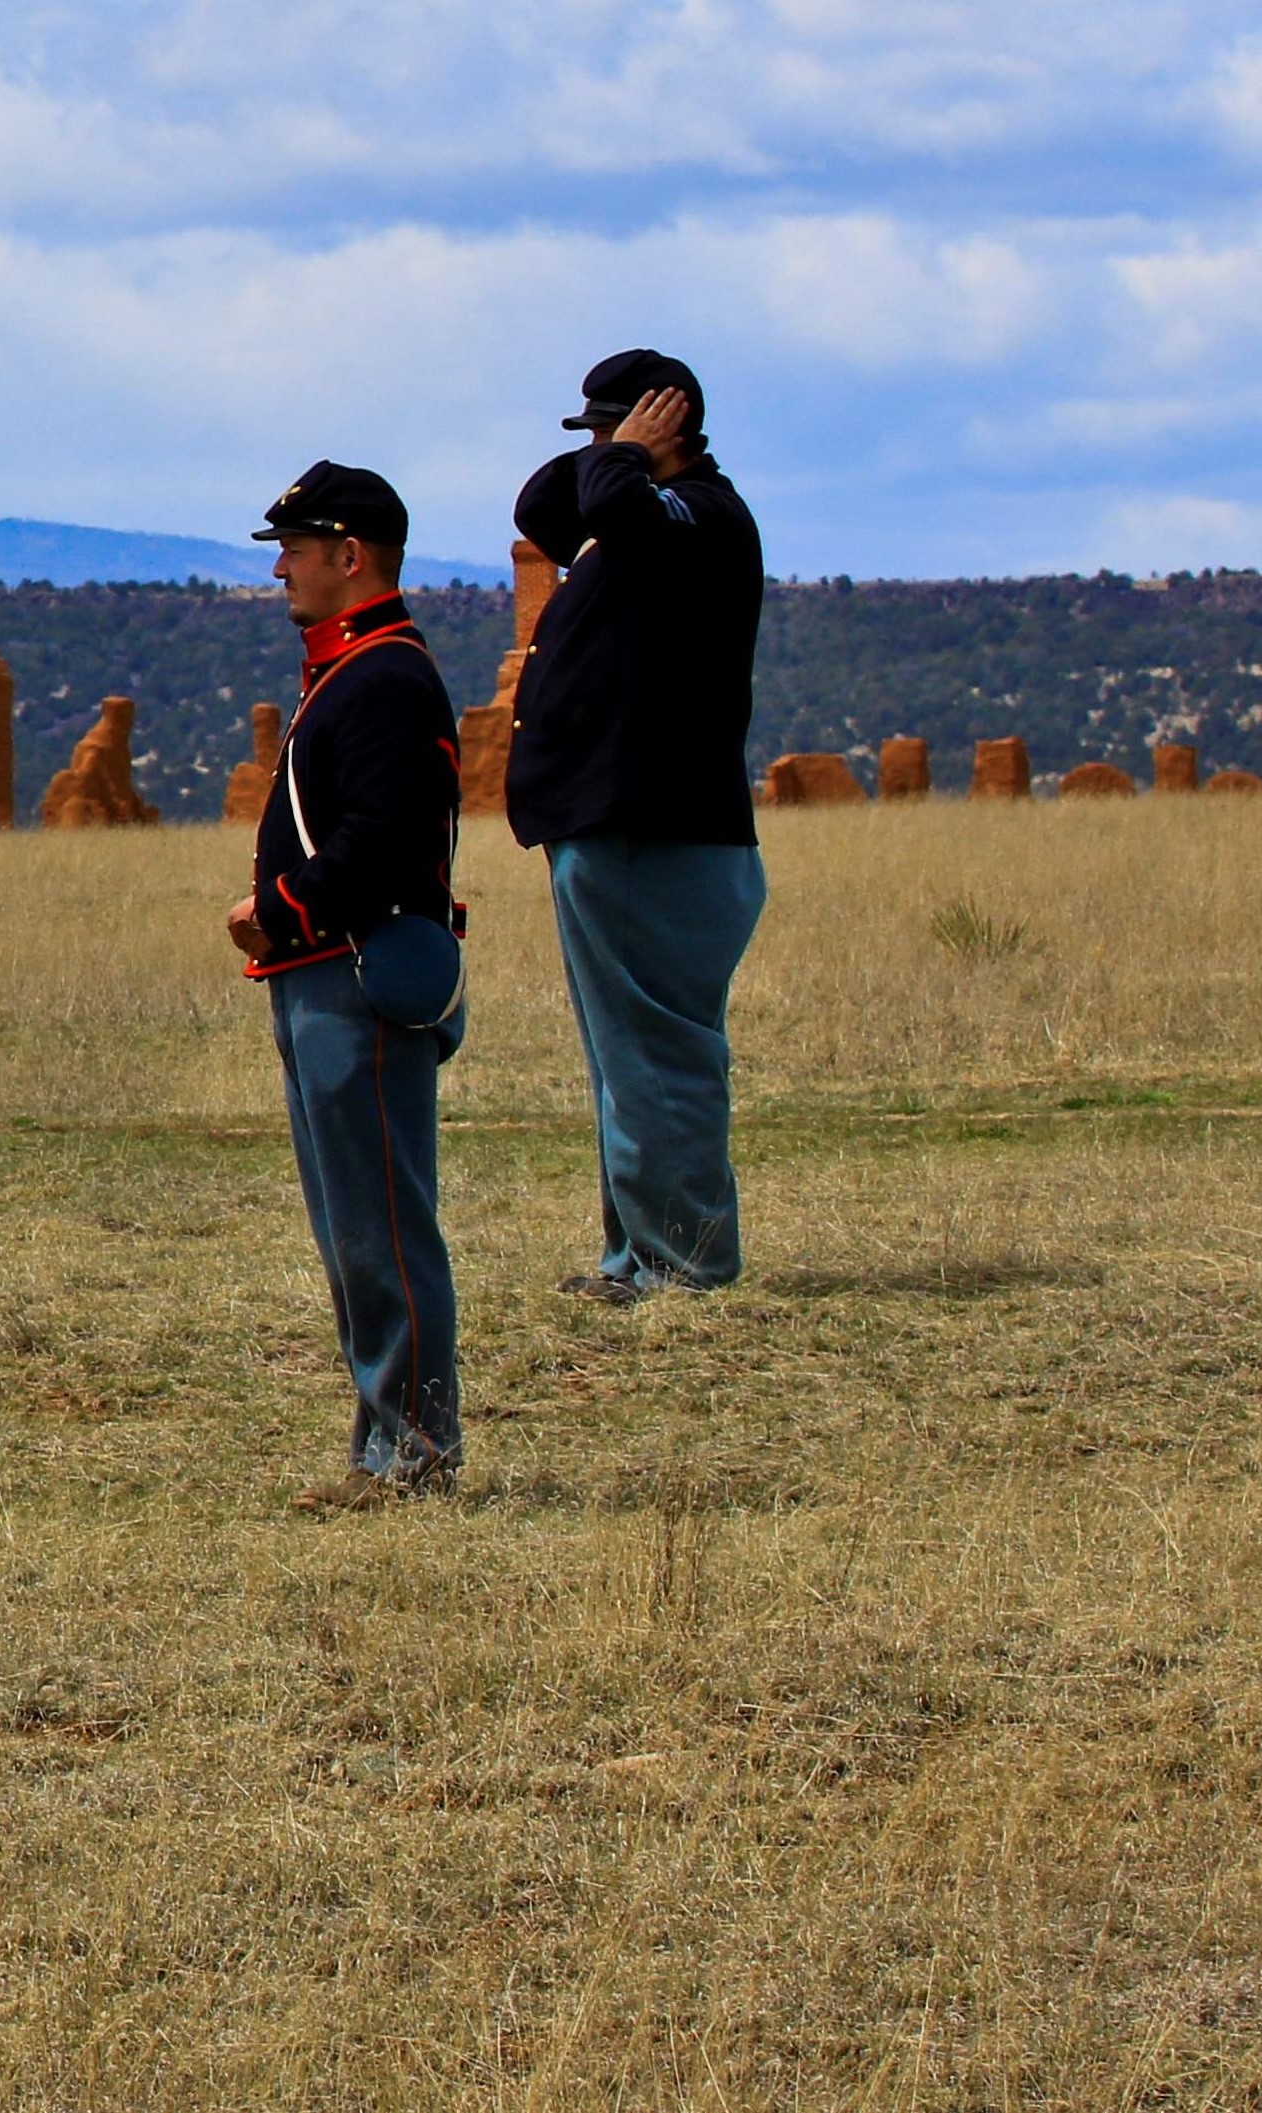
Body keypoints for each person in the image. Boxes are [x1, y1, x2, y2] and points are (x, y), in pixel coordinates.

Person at [227, 462, 468, 1489]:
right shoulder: (349, 671)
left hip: (353, 976)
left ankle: (412, 1452)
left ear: (348, 555)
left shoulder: (380, 677)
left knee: (378, 1230)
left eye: (292, 548)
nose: (279, 567)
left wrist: (274, 910)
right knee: (350, 1229)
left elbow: (387, 842)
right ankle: (385, 1443)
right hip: (323, 975)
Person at [507, 348, 766, 1302]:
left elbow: (614, 510)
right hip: (620, 828)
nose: (601, 450)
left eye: (616, 426)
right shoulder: (638, 511)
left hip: (657, 831)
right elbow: (542, 508)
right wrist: (611, 447)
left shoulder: (702, 518)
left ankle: (682, 1263)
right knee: (627, 1058)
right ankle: (641, 1254)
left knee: (658, 1056)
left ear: (671, 421)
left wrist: (625, 460)